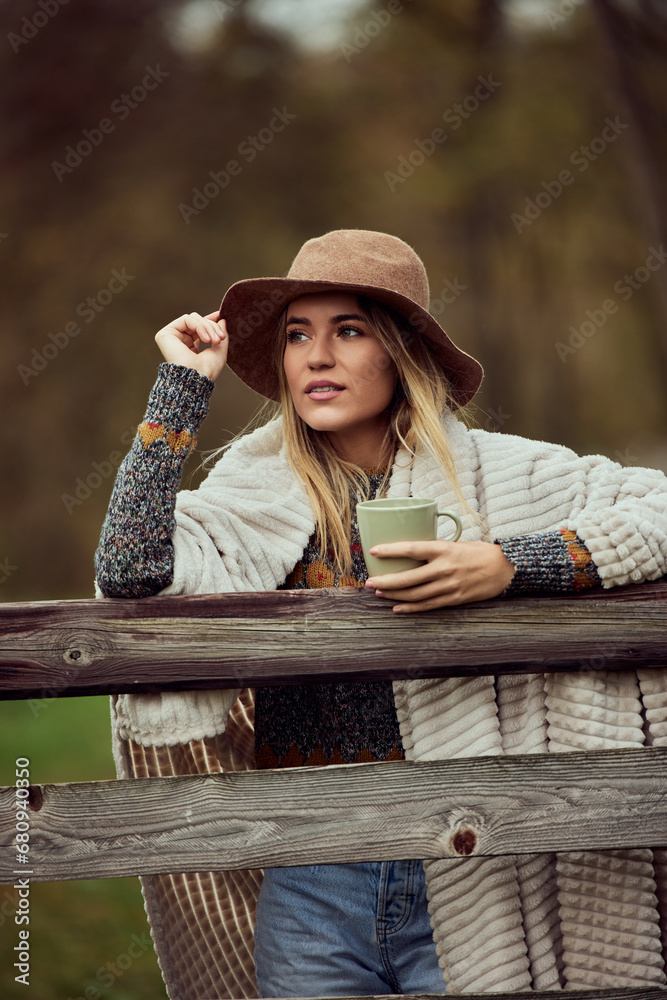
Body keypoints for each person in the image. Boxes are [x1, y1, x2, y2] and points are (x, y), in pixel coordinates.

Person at [95, 229, 667, 998]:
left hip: (470, 861)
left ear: (401, 353)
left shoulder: (505, 474)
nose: (315, 357)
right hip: (312, 870)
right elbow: (129, 569)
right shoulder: (251, 490)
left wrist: (510, 565)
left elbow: (656, 509)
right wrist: (182, 386)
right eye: (298, 335)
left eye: (349, 331)